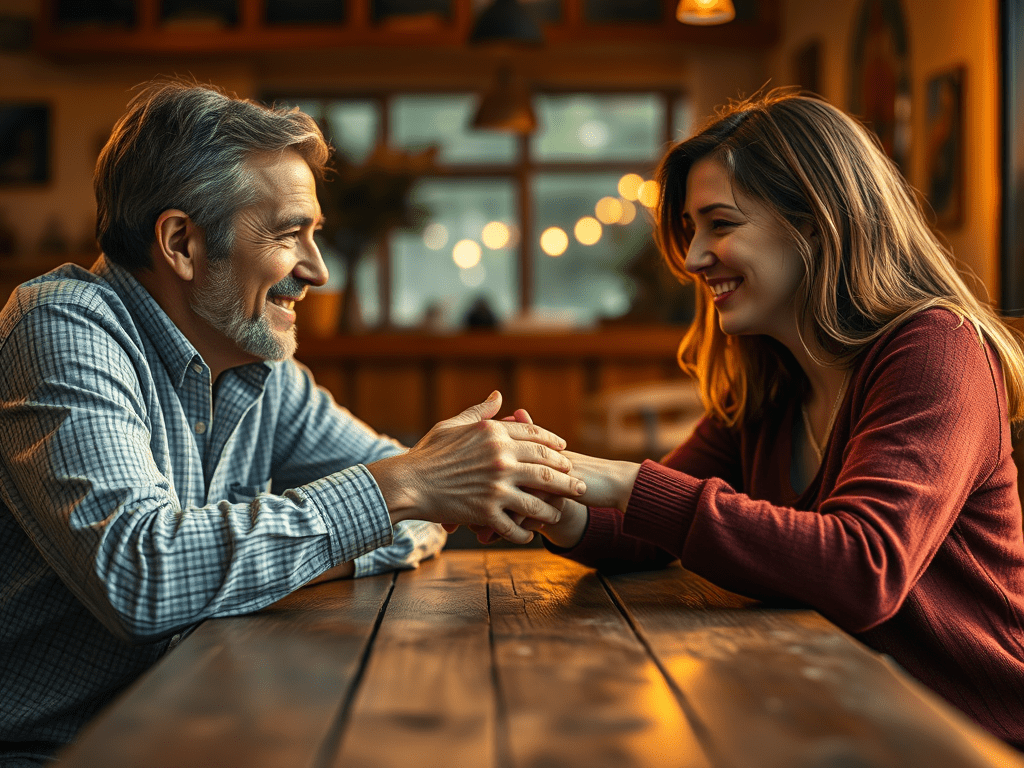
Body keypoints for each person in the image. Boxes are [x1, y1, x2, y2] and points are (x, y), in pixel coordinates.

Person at [0, 80, 584, 766]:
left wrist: (378, 503)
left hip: (196, 729)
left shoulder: (261, 370)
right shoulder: (60, 324)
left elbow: (427, 512)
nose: (317, 271)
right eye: (288, 235)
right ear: (182, 243)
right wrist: (393, 488)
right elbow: (146, 575)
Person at [516, 91, 1024, 748]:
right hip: (832, 720)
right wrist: (551, 493)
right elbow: (645, 534)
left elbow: (863, 568)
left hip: (967, 738)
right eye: (693, 230)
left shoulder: (937, 349)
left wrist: (619, 479)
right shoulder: (775, 384)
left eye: (719, 225)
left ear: (814, 222)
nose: (695, 258)